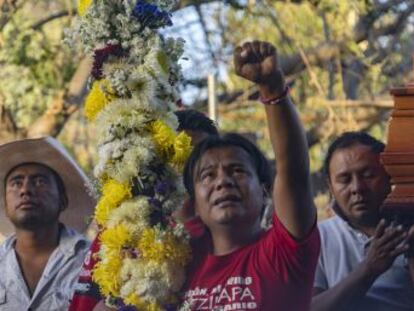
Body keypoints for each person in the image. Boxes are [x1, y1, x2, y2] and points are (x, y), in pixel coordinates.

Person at [180, 40, 319, 310]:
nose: (223, 181)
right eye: (208, 175)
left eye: (237, 170)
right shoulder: (179, 263)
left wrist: (271, 88)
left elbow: (294, 171)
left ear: (265, 190)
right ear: (194, 203)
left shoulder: (283, 251)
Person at [69, 109, 219, 311]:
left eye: (199, 157)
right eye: (176, 155)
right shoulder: (121, 230)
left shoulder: (226, 232)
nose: (188, 166)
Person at [312, 132, 414, 311]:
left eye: (368, 175)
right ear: (330, 187)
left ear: (389, 176)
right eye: (344, 179)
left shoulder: (409, 228)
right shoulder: (316, 238)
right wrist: (369, 268)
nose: (357, 188)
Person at [0, 137, 95, 310]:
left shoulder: (94, 262)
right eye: (16, 183)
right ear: (6, 206)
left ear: (63, 200)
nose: (25, 190)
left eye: (40, 181)